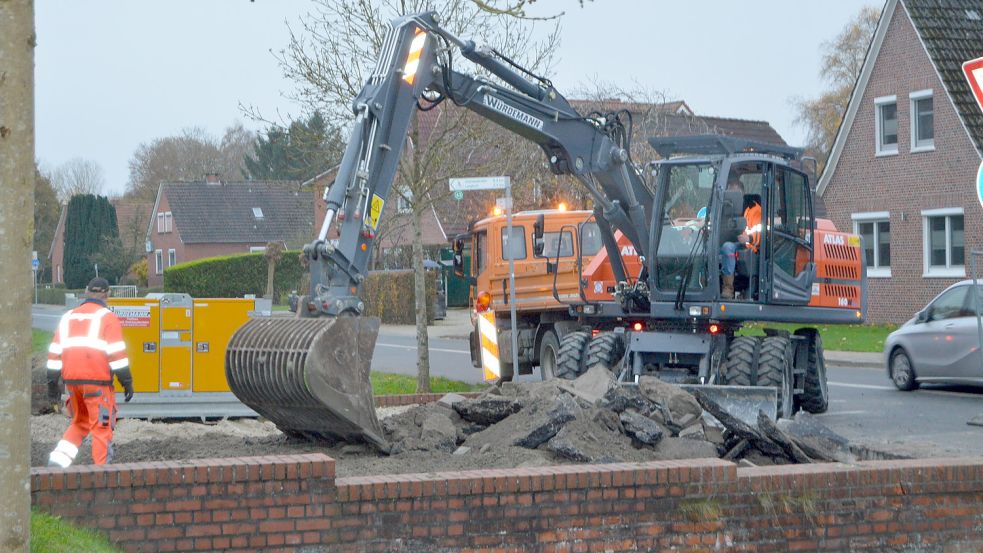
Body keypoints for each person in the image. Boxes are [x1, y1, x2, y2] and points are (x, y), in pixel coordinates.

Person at [46, 277, 134, 467]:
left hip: (72, 384)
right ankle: (102, 476)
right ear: (107, 294)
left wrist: (52, 386)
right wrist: (127, 382)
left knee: (80, 423)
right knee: (101, 428)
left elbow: (54, 354)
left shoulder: (68, 316)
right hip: (97, 385)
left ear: (86, 292)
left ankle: (56, 466)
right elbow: (117, 356)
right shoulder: (107, 318)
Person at [719, 178, 762, 299]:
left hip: (748, 245)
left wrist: (748, 238)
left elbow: (761, 233)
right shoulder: (724, 209)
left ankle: (728, 288)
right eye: (729, 193)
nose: (730, 197)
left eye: (733, 194)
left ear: (741, 194)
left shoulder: (755, 210)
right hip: (730, 241)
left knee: (727, 248)